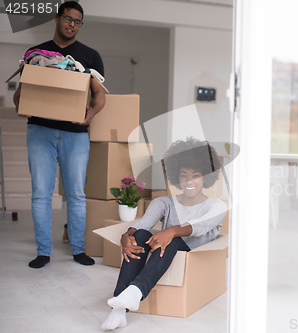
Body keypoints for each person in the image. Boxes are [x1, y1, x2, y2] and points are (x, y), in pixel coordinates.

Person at [13, 1, 106, 268]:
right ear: (57, 18)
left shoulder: (89, 56)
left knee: (76, 194)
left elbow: (99, 96)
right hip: (39, 130)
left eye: (77, 21)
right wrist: (21, 102)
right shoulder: (36, 52)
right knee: (41, 194)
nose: (72, 25)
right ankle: (43, 251)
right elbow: (22, 92)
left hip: (76, 133)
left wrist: (93, 112)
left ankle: (78, 249)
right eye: (68, 19)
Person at [102, 138, 227, 331]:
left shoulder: (215, 205)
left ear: (206, 176)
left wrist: (171, 230)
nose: (189, 181)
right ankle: (119, 310)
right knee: (142, 234)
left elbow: (200, 227)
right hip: (164, 250)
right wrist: (126, 236)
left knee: (173, 239)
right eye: (184, 175)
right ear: (177, 176)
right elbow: (143, 224)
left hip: (190, 252)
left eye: (196, 175)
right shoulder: (164, 203)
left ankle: (135, 291)